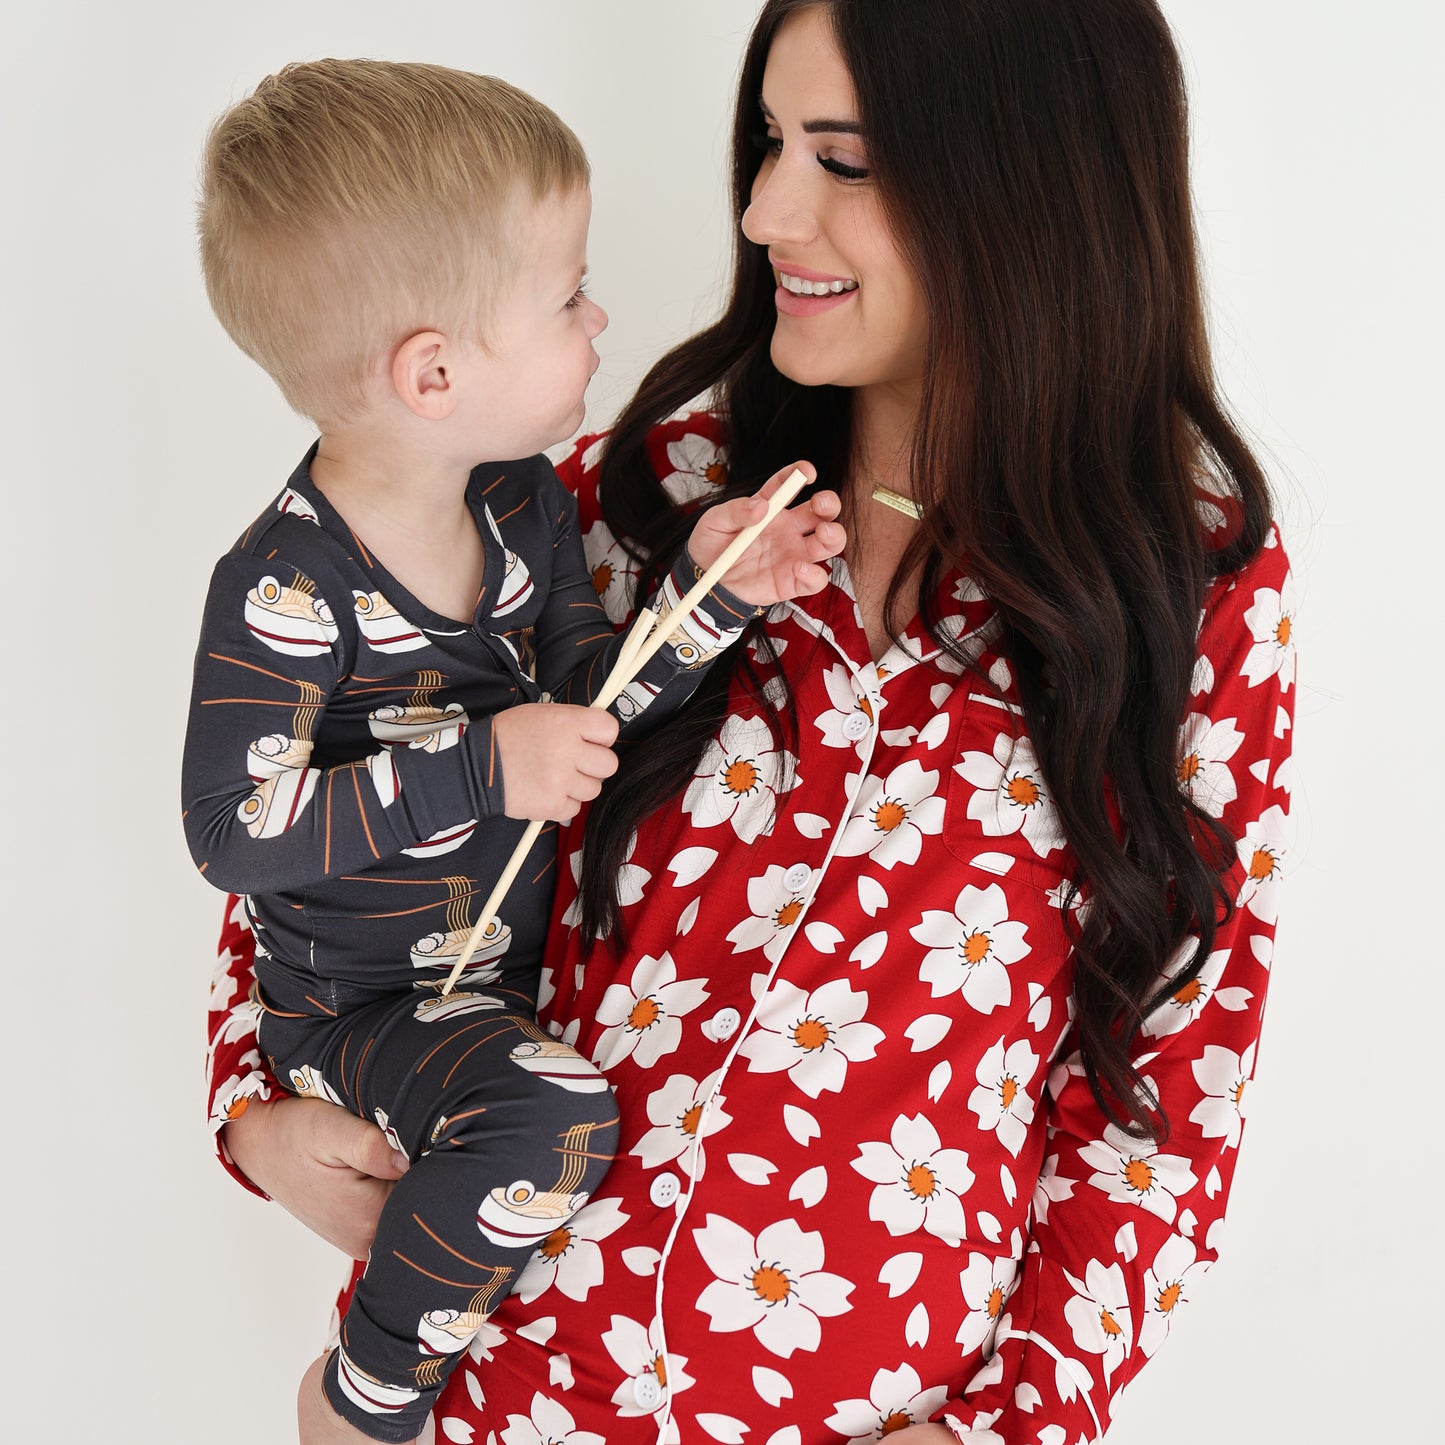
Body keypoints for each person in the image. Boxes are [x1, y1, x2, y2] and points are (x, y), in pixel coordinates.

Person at [207, 3, 1296, 1441]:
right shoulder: (625, 493)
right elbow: (338, 796)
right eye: (770, 142)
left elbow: (1171, 1077)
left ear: (1026, 179)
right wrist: (252, 1109)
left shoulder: (1189, 585)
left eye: (840, 158)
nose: (765, 207)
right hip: (489, 1394)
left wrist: (1025, 1422)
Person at [184, 59, 844, 1445]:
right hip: (356, 1012)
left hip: (494, 985)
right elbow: (235, 832)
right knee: (552, 1115)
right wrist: (484, 769)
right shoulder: (285, 587)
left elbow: (590, 709)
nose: (600, 317)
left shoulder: (527, 509)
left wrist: (711, 595)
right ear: (433, 370)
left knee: (544, 1105)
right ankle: (363, 1399)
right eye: (565, 298)